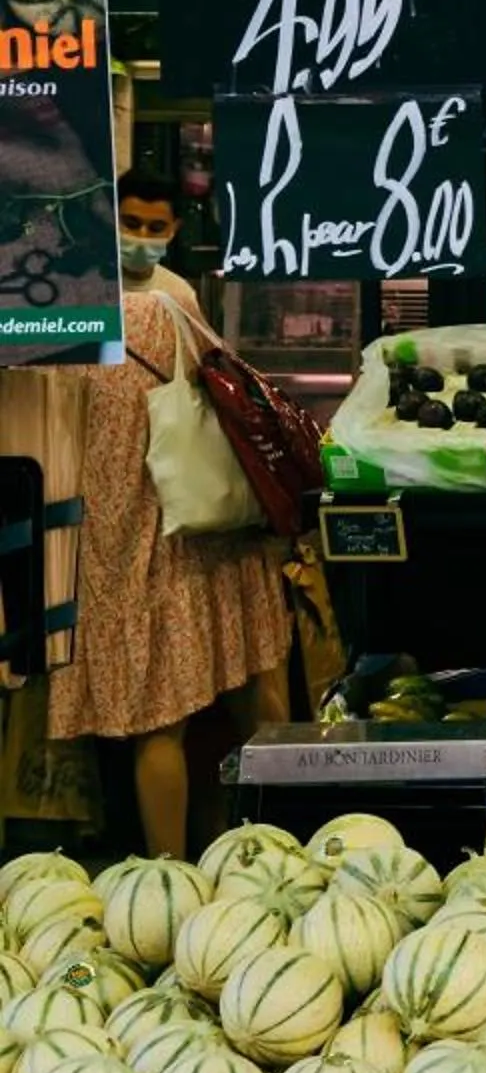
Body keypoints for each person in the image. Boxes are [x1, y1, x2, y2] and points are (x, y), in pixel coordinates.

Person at [72, 290, 291, 856]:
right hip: (211, 531)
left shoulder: (80, 318)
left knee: (159, 724)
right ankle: (281, 840)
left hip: (135, 552)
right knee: (254, 686)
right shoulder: (171, 304)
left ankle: (169, 870)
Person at [114, 168, 200, 321]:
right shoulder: (83, 286)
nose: (142, 237)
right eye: (131, 224)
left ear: (173, 229)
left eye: (156, 228)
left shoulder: (181, 296)